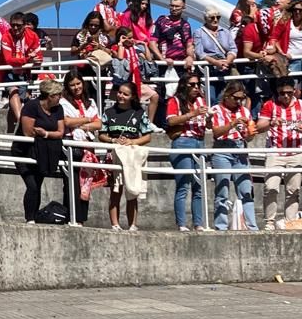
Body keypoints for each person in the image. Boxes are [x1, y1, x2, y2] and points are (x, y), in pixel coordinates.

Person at [209, 82, 268, 231]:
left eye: (242, 98)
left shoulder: (245, 112)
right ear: (227, 96)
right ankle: (221, 226)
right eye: (236, 98)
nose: (238, 102)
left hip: (240, 148)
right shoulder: (216, 110)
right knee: (222, 190)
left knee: (246, 190)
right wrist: (232, 124)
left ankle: (251, 226)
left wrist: (249, 134)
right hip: (222, 149)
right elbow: (215, 133)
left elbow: (248, 138)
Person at [259, 78, 302, 229]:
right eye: (282, 93)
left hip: (296, 152)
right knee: (270, 187)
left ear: (294, 91)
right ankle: (269, 222)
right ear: (277, 92)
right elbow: (259, 127)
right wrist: (271, 123)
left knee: (294, 190)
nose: (286, 96)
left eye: (289, 93)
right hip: (275, 152)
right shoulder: (269, 105)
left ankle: (290, 222)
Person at [99, 81, 153, 231]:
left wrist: (132, 141)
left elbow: (147, 137)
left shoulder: (139, 113)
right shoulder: (109, 112)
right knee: (116, 190)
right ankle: (115, 224)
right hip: (114, 154)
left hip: (132, 155)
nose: (121, 96)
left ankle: (132, 225)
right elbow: (102, 135)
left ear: (132, 96)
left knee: (132, 190)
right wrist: (113, 140)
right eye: (120, 92)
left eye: (125, 94)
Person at [18, 78, 68, 225]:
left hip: (43, 152)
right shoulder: (31, 106)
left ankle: (33, 217)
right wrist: (47, 134)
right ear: (50, 96)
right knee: (32, 185)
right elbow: (28, 132)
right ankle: (30, 218)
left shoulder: (58, 109)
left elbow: (60, 132)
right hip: (25, 151)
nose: (60, 97)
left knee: (37, 185)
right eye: (58, 94)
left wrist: (45, 133)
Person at [164, 73, 209, 231]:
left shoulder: (201, 101)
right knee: (183, 185)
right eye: (192, 84)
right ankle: (182, 224)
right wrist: (193, 114)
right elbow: (171, 120)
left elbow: (206, 124)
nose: (196, 87)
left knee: (198, 186)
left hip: (199, 141)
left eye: (198, 84)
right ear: (184, 86)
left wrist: (209, 117)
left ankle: (198, 223)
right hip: (182, 141)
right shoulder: (174, 101)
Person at [58, 70, 105, 219]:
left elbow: (98, 124)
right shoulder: (62, 102)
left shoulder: (90, 102)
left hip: (87, 146)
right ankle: (71, 216)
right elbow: (67, 122)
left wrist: (81, 124)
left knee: (86, 183)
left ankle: (81, 218)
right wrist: (86, 120)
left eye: (78, 83)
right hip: (71, 145)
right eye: (72, 85)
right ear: (67, 86)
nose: (76, 87)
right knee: (72, 183)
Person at [0, 12, 42, 127]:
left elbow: (39, 58)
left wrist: (33, 60)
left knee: (21, 99)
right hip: (8, 71)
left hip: (24, 72)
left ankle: (16, 129)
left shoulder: (32, 36)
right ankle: (22, 123)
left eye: (19, 25)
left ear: (25, 25)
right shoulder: (6, 36)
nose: (15, 28)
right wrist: (27, 59)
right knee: (13, 90)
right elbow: (9, 60)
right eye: (13, 25)